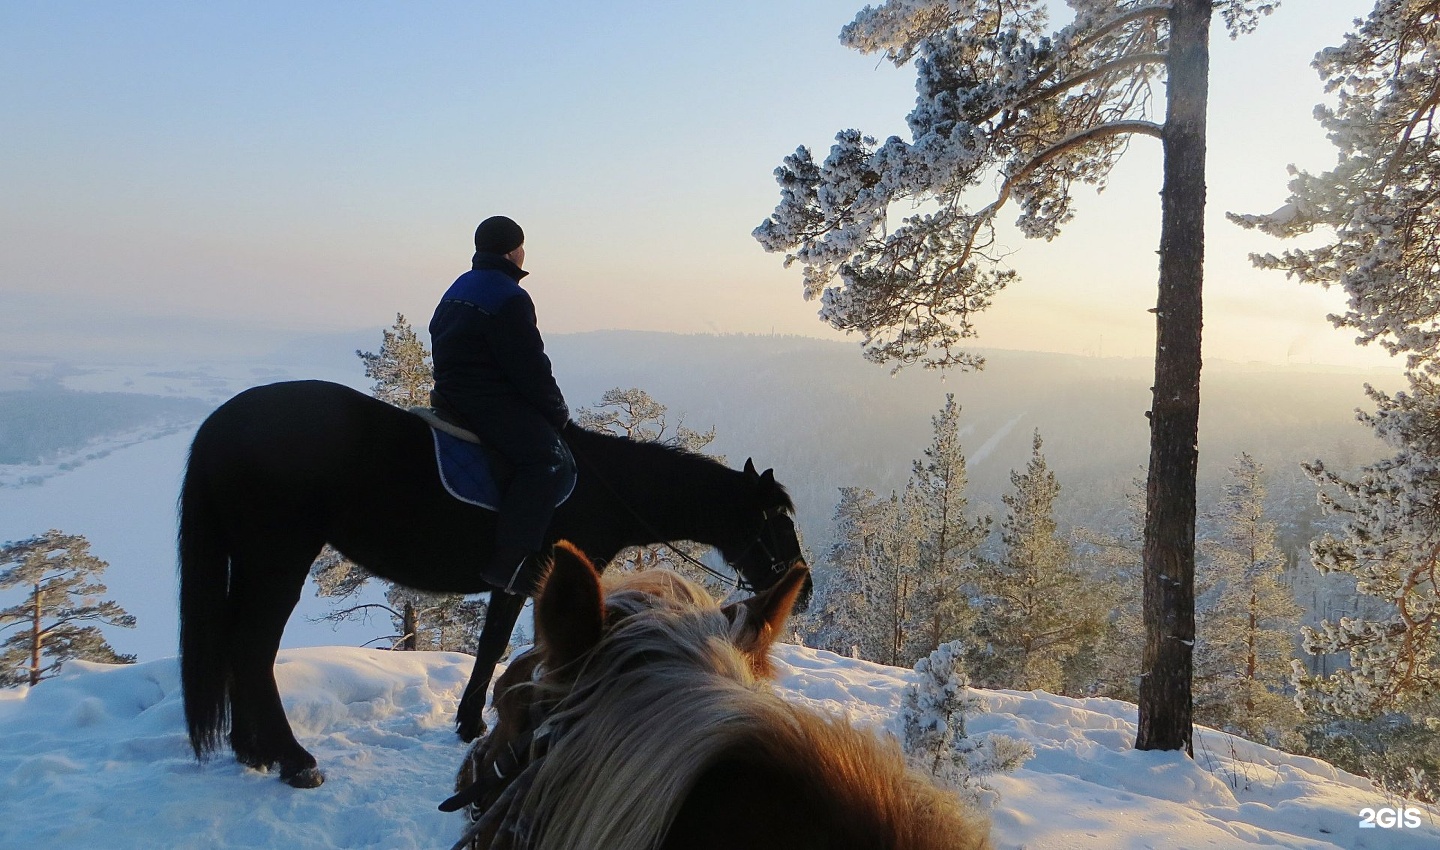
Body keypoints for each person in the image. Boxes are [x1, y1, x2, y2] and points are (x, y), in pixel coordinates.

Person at [429, 216, 573, 597]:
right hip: (484, 401)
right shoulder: (510, 297)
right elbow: (530, 368)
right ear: (515, 251)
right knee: (545, 460)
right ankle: (509, 565)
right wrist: (558, 414)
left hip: (449, 394)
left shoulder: (460, 285)